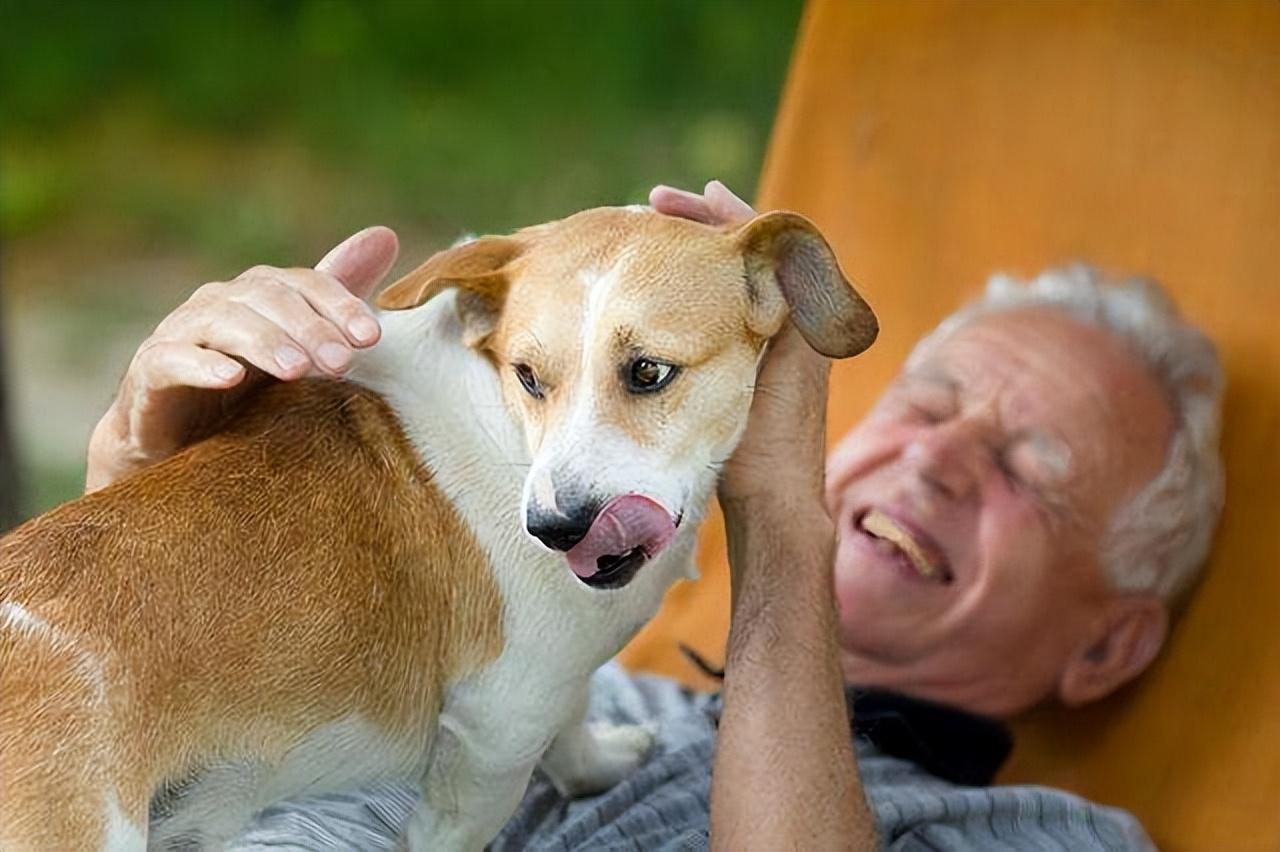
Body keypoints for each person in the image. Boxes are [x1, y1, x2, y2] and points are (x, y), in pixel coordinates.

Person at [85, 182, 1223, 850]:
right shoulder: (574, 670)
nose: (931, 458)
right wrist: (141, 478)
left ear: (1107, 643)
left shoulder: (1047, 834)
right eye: (926, 404)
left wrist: (781, 518)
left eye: (1028, 468)